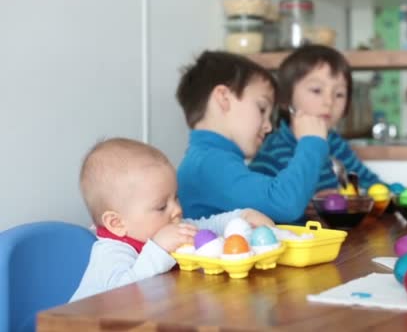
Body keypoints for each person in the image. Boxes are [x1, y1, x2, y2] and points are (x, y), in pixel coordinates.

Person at [70, 138, 273, 302]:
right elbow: (121, 297)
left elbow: (205, 226)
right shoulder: (111, 252)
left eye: (176, 197)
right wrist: (158, 248)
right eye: (161, 206)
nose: (176, 209)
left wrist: (242, 216)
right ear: (117, 223)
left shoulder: (167, 226)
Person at [175, 51, 328, 223]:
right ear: (223, 98)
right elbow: (285, 204)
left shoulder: (207, 159)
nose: (268, 126)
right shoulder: (209, 163)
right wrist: (312, 142)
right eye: (262, 109)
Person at [249, 44, 382, 193]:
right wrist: (319, 201)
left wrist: (393, 193)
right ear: (286, 99)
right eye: (317, 90)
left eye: (339, 94)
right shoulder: (274, 151)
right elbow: (267, 205)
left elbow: (370, 183)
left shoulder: (335, 144)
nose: (329, 102)